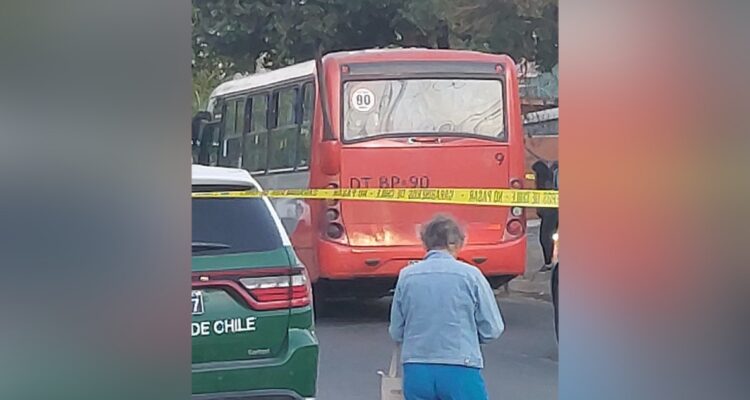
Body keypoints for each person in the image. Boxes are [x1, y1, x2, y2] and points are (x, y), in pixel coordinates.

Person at [389, 215, 505, 400]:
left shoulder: (407, 276)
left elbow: (396, 330)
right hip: (460, 365)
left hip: (417, 367)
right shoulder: (471, 275)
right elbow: (493, 328)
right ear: (458, 243)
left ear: (425, 243)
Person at [532, 160, 559, 272]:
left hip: (551, 212)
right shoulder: (552, 176)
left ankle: (549, 262)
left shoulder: (544, 182)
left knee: (545, 237)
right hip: (553, 211)